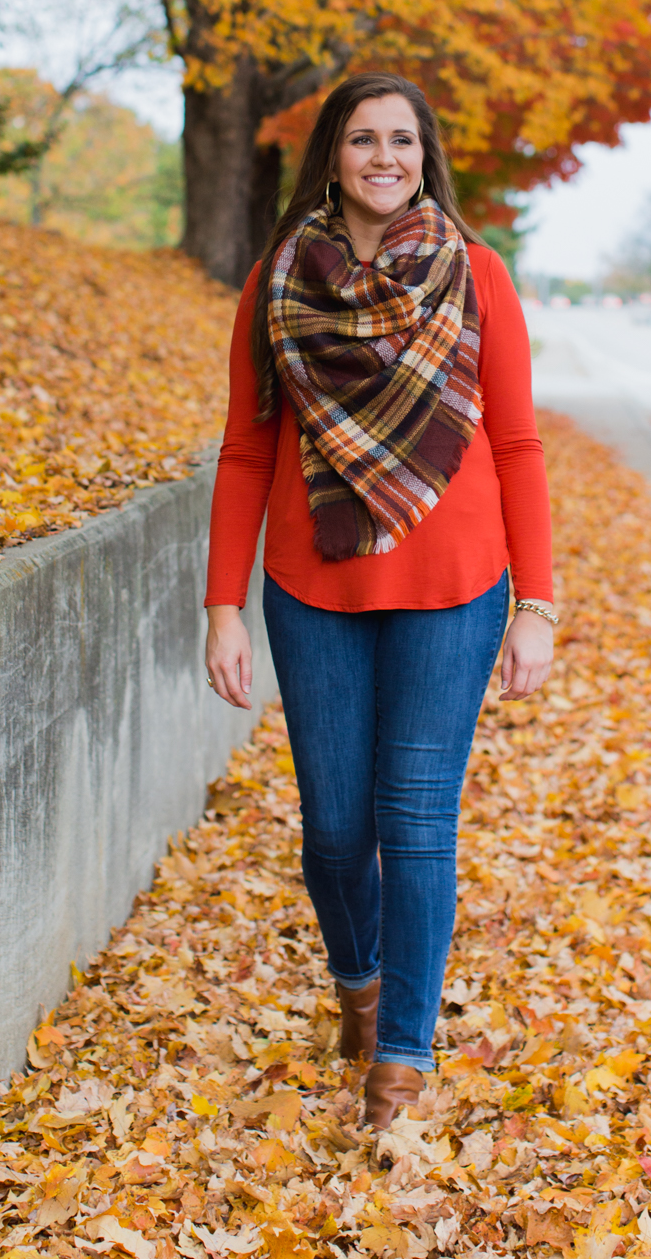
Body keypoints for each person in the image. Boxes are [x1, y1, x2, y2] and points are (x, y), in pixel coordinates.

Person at [203, 71, 555, 1128]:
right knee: (331, 829)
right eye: (365, 139)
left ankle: (399, 1056)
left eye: (403, 139)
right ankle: (357, 982)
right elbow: (245, 445)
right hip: (312, 587)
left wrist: (536, 601)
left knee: (416, 818)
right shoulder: (276, 280)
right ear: (335, 155)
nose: (385, 157)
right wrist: (222, 603)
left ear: (424, 154)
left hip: (455, 588)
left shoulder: (476, 274)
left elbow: (519, 444)